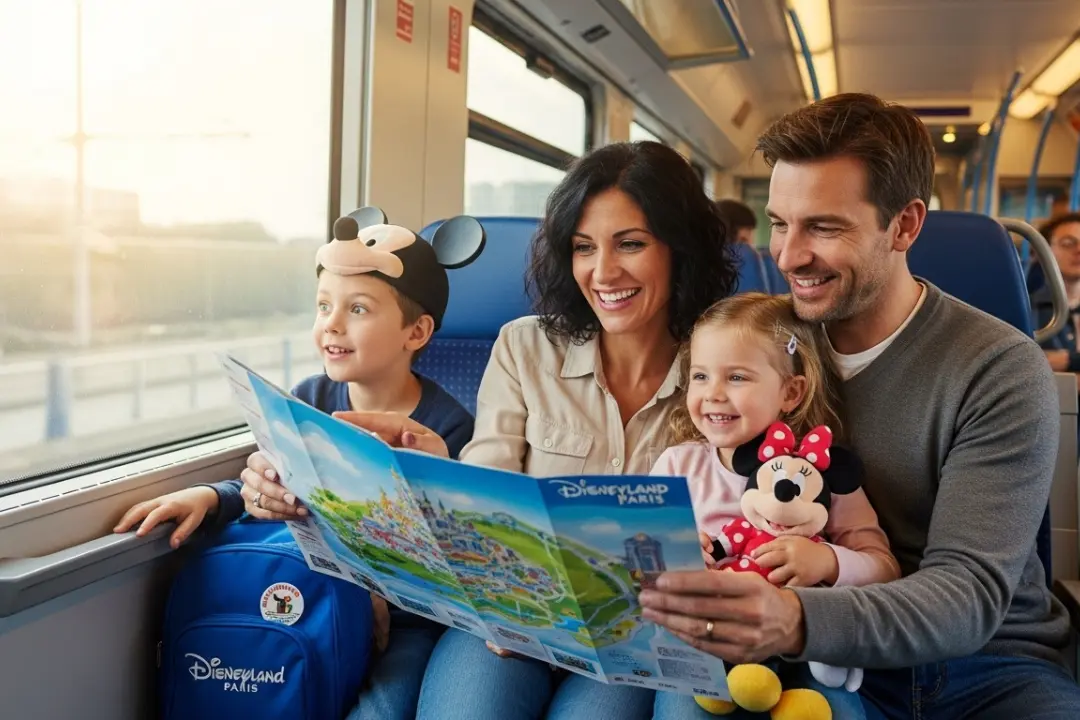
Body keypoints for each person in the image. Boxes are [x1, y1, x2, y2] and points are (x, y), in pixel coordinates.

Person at [234, 140, 741, 719]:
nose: (603, 272)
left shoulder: (724, 374)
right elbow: (484, 495)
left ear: (679, 248)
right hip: (511, 617)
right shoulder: (524, 348)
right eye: (583, 248)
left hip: (635, 636)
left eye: (630, 243)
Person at [637, 92, 1080, 719]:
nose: (788, 255)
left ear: (904, 226)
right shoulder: (765, 352)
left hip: (986, 664)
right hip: (808, 662)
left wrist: (795, 618)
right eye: (780, 224)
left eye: (823, 227)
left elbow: (969, 594)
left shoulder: (996, 366)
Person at [113, 206, 479, 720]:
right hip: (314, 594)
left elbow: (451, 554)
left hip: (403, 622)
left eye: (357, 309)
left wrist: (374, 592)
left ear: (415, 333)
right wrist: (215, 496)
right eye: (323, 304)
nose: (331, 323)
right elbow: (271, 487)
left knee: (381, 708)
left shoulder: (447, 426)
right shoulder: (308, 400)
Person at [651, 292, 899, 719]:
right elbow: (637, 564)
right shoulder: (678, 466)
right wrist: (677, 556)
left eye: (737, 378)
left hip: (807, 656)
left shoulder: (820, 476)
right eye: (700, 377)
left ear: (790, 391)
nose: (712, 394)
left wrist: (827, 561)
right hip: (704, 654)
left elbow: (884, 567)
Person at [1031, 212, 1080, 387]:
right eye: (1068, 243)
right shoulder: (1026, 311)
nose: (1079, 250)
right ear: (1042, 253)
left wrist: (1067, 359)